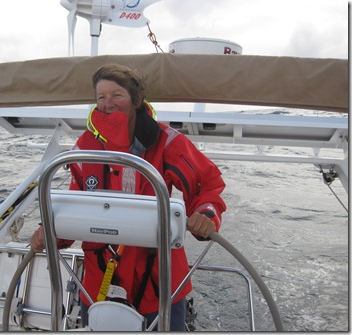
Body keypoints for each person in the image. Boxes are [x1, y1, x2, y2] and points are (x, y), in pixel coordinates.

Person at [31, 64, 227, 331]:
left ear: (136, 99)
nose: (108, 103)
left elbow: (208, 182)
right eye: (101, 97)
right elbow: (74, 201)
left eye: (117, 95)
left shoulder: (167, 141)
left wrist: (205, 214)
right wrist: (52, 231)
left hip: (158, 281)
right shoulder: (85, 147)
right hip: (99, 282)